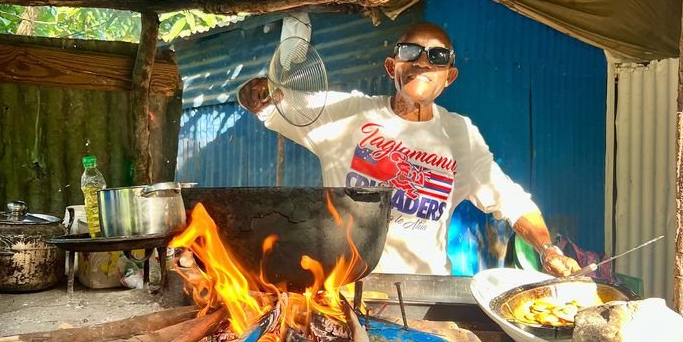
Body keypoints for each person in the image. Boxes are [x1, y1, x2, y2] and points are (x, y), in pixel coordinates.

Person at [238, 22, 579, 277]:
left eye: (438, 57)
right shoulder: (345, 113)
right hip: (343, 287)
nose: (423, 62)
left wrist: (547, 249)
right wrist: (257, 93)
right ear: (392, 67)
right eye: (410, 53)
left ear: (449, 77)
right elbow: (265, 103)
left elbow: (512, 201)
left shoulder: (461, 135)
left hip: (421, 295)